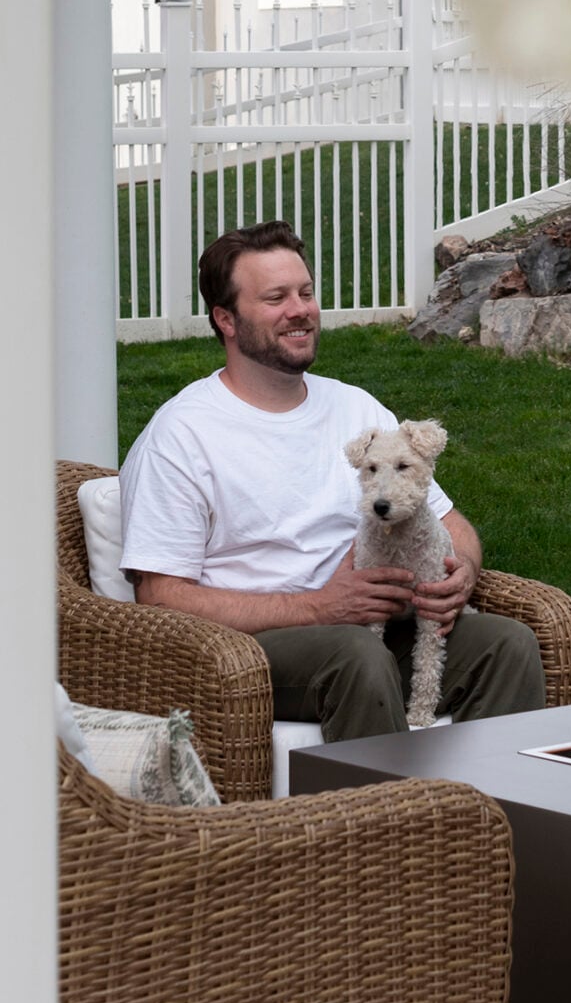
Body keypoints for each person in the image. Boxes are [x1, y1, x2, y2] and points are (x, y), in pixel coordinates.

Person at [118, 219, 546, 741]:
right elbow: (160, 597)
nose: (300, 310)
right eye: (275, 298)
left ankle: (488, 795)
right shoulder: (182, 434)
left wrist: (463, 575)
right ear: (225, 319)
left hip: (375, 626)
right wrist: (317, 607)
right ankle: (387, 799)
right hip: (253, 648)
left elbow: (449, 522)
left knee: (508, 644)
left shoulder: (354, 407)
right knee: (357, 654)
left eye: (305, 292)